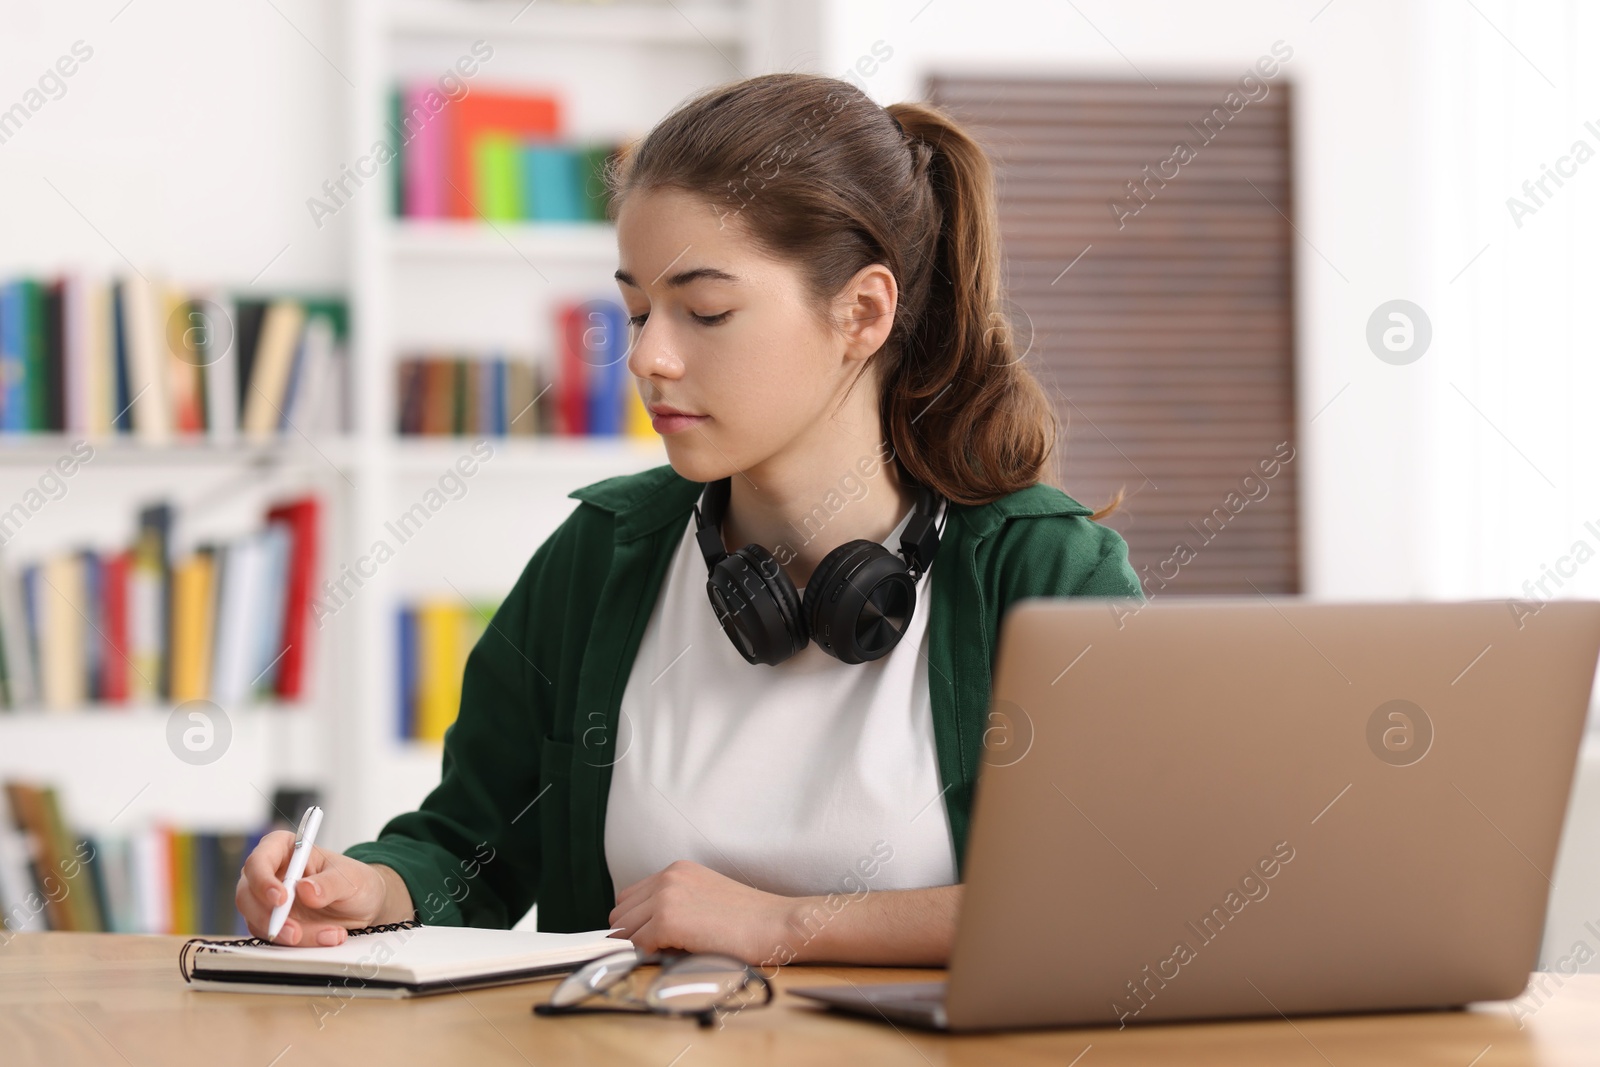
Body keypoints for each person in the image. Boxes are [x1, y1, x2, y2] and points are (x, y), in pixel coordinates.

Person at [236, 71, 1143, 968]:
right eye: (636, 310)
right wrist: (364, 886)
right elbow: (469, 846)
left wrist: (782, 924)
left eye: (705, 311)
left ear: (862, 311)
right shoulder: (603, 554)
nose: (648, 356)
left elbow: (1111, 899)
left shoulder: (1047, 573)